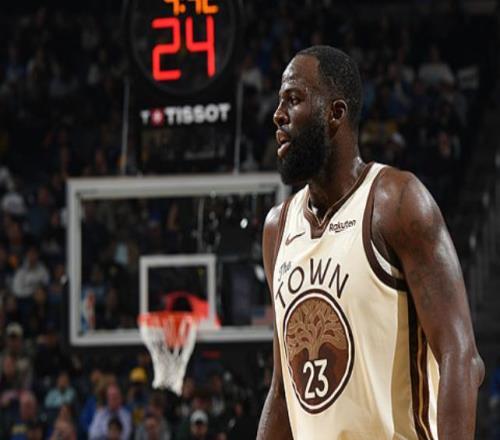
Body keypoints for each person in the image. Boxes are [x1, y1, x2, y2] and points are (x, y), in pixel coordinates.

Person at [257, 45, 484, 439]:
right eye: (280, 102)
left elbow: (461, 357)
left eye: (293, 99)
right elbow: (282, 393)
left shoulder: (396, 202)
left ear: (335, 113)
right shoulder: (278, 228)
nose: (278, 115)